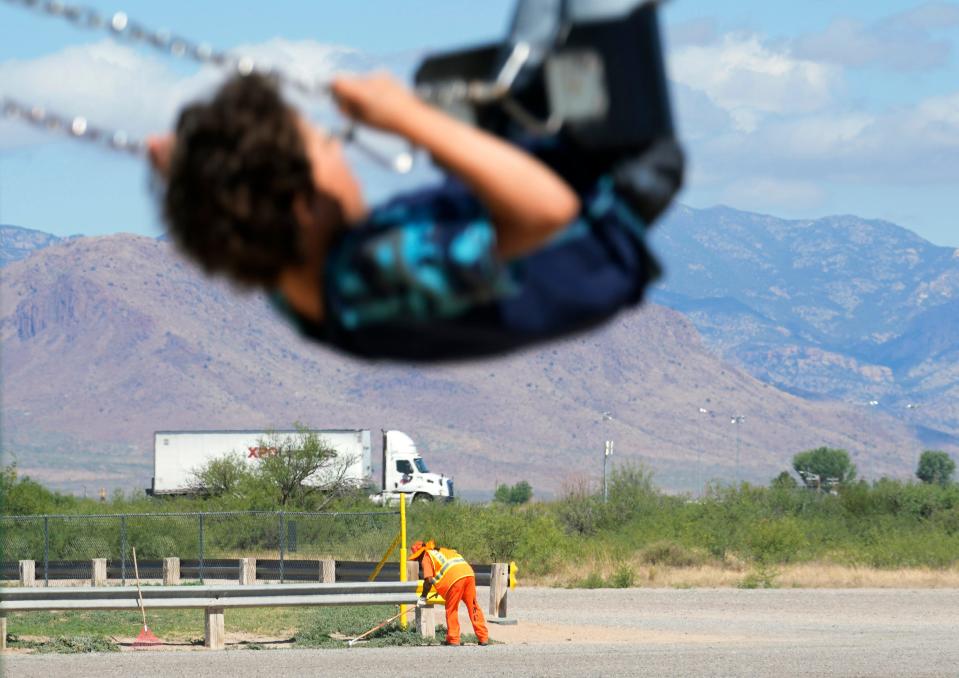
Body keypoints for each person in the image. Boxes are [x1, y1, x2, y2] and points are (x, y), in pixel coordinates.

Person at [148, 71, 660, 361]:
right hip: (602, 215)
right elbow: (548, 212)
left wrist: (192, 165)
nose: (342, 149)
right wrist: (407, 118)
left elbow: (233, 205)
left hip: (561, 197)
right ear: (301, 205)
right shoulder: (373, 272)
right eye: (327, 144)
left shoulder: (291, 276)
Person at [409, 539, 489, 646]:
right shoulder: (442, 550)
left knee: (451, 609)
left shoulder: (426, 557)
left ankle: (453, 639)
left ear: (419, 554)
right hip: (469, 574)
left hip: (455, 580)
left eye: (417, 558)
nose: (418, 561)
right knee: (473, 606)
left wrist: (423, 597)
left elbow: (428, 580)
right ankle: (483, 637)